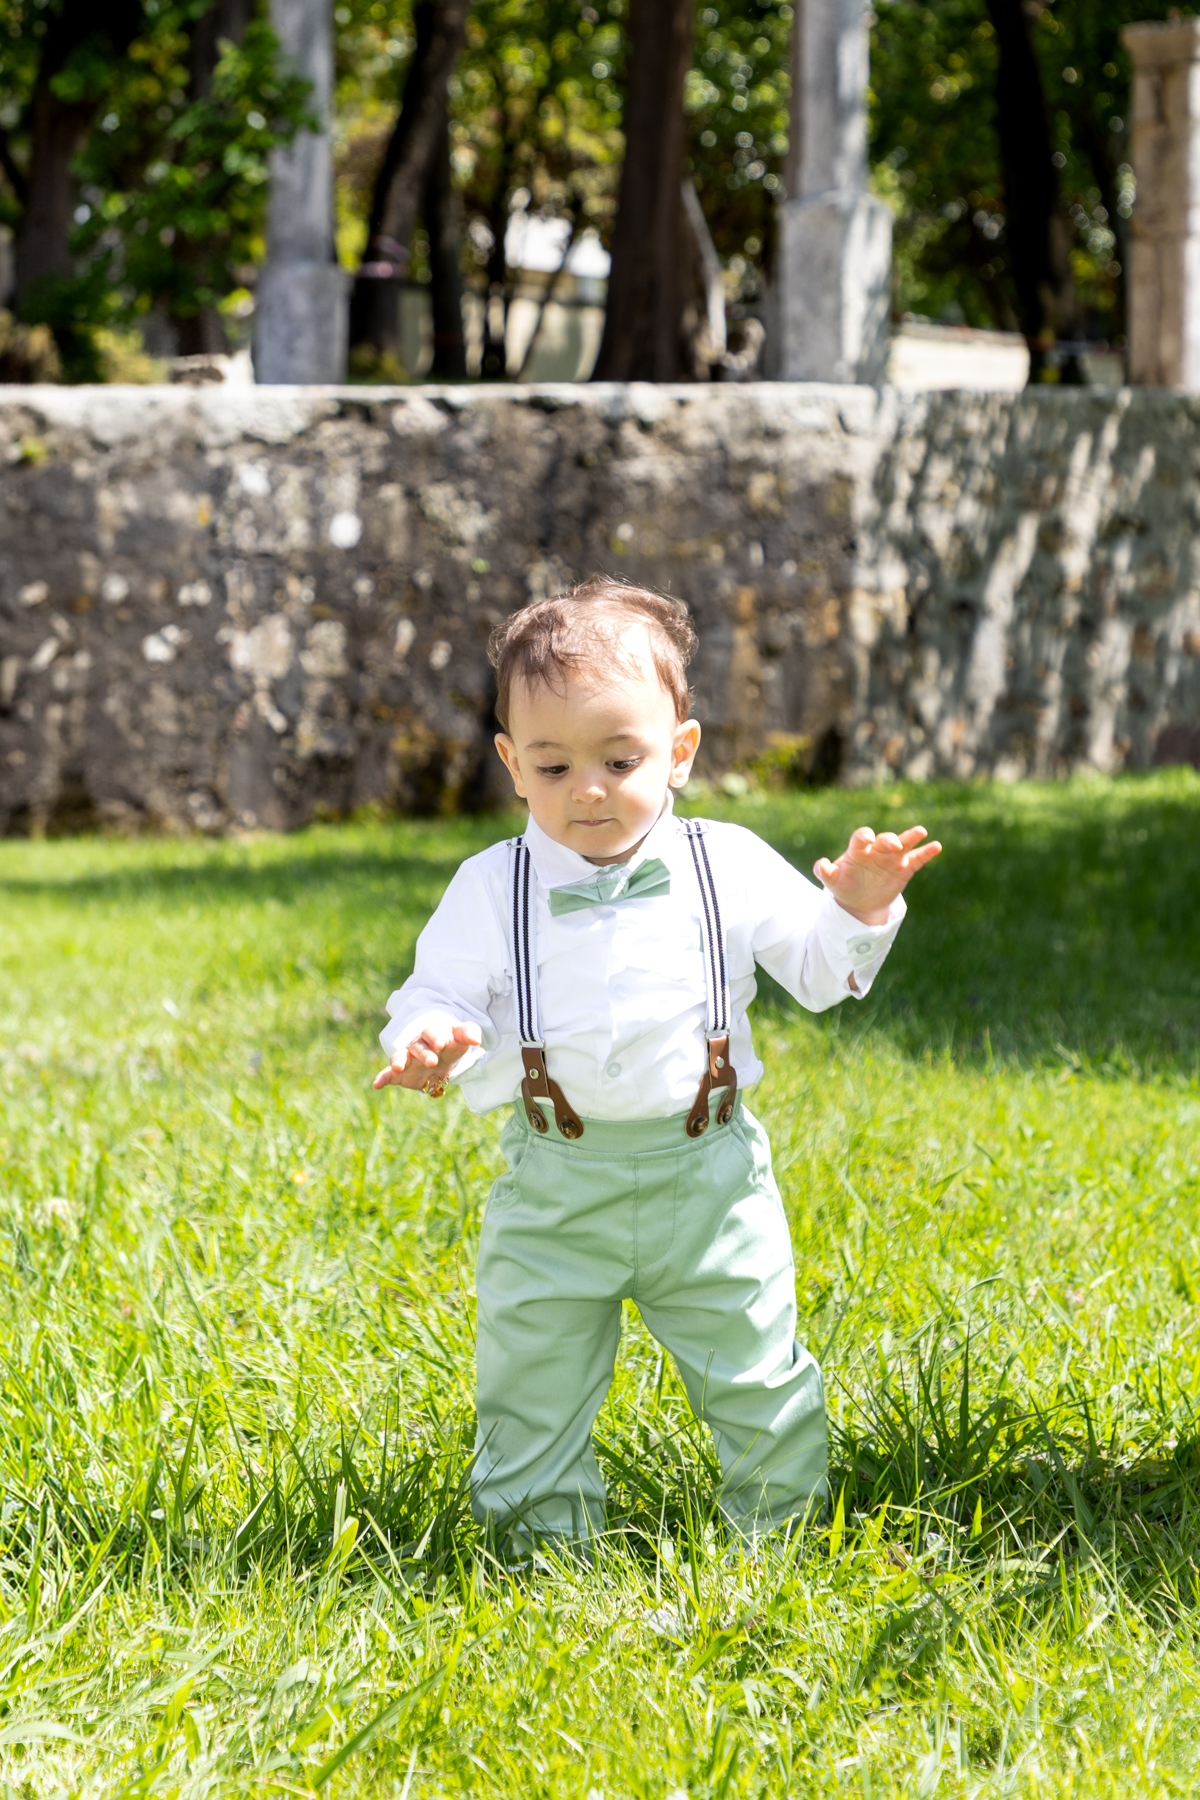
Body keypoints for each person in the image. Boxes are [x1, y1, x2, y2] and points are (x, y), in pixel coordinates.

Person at [373, 577, 940, 1552]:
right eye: (552, 767)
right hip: (556, 1185)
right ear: (511, 764)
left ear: (679, 753)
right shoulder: (489, 887)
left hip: (710, 1179)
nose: (587, 789)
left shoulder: (726, 862)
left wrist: (856, 907)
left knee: (757, 1368)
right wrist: (429, 1041)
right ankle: (540, 1552)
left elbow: (815, 970)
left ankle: (779, 1537)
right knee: (529, 1378)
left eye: (619, 759)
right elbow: (439, 994)